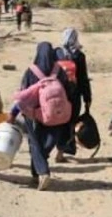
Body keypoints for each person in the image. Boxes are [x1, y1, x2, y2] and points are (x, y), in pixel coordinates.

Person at [8, 42, 74, 191]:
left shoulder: (31, 71)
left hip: (34, 114)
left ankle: (42, 172)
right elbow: (68, 92)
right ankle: (35, 173)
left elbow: (23, 96)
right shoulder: (60, 70)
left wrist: (13, 113)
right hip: (56, 114)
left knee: (35, 143)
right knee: (47, 143)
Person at [54, 28, 92, 163]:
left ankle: (55, 147)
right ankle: (63, 151)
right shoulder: (79, 56)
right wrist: (87, 97)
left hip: (57, 94)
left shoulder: (57, 53)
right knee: (70, 122)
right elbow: (83, 78)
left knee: (56, 120)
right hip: (74, 94)